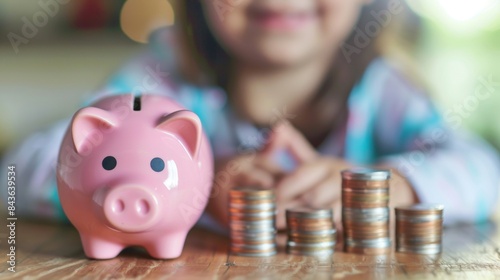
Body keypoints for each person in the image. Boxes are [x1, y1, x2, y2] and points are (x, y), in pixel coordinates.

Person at [2, 0, 500, 230]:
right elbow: (18, 172)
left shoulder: (382, 87)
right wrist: (190, 185)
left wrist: (396, 185)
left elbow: (484, 171)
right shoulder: (161, 77)